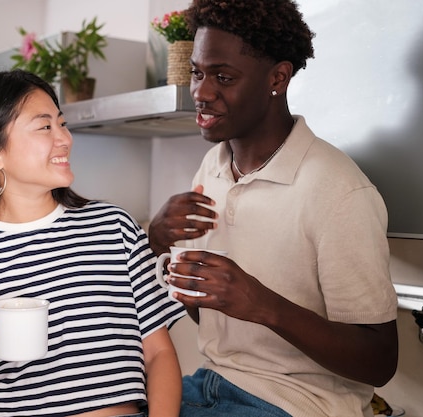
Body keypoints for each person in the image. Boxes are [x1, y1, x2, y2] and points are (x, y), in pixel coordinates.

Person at [147, 1, 399, 416]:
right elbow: (212, 321)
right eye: (197, 73)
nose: (201, 93)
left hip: (294, 403)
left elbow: (379, 361)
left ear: (277, 78)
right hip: (211, 383)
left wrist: (262, 303)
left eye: (223, 77)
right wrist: (160, 244)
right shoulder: (213, 165)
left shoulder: (339, 191)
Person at [0, 69, 185, 417]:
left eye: (62, 123)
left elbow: (159, 354)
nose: (65, 138)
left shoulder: (116, 228)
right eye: (44, 127)